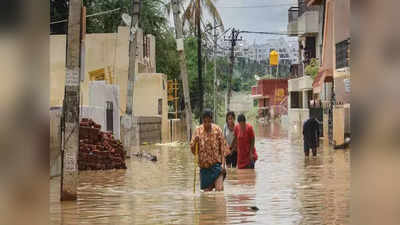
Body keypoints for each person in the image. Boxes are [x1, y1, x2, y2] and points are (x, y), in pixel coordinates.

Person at [190, 109, 230, 192]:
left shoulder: (217, 130)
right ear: (202, 121)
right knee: (207, 196)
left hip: (216, 166)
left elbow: (223, 149)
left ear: (211, 120)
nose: (207, 124)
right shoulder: (198, 131)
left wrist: (223, 165)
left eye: (209, 121)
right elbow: (194, 152)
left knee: (219, 191)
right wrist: (195, 142)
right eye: (205, 121)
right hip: (204, 169)